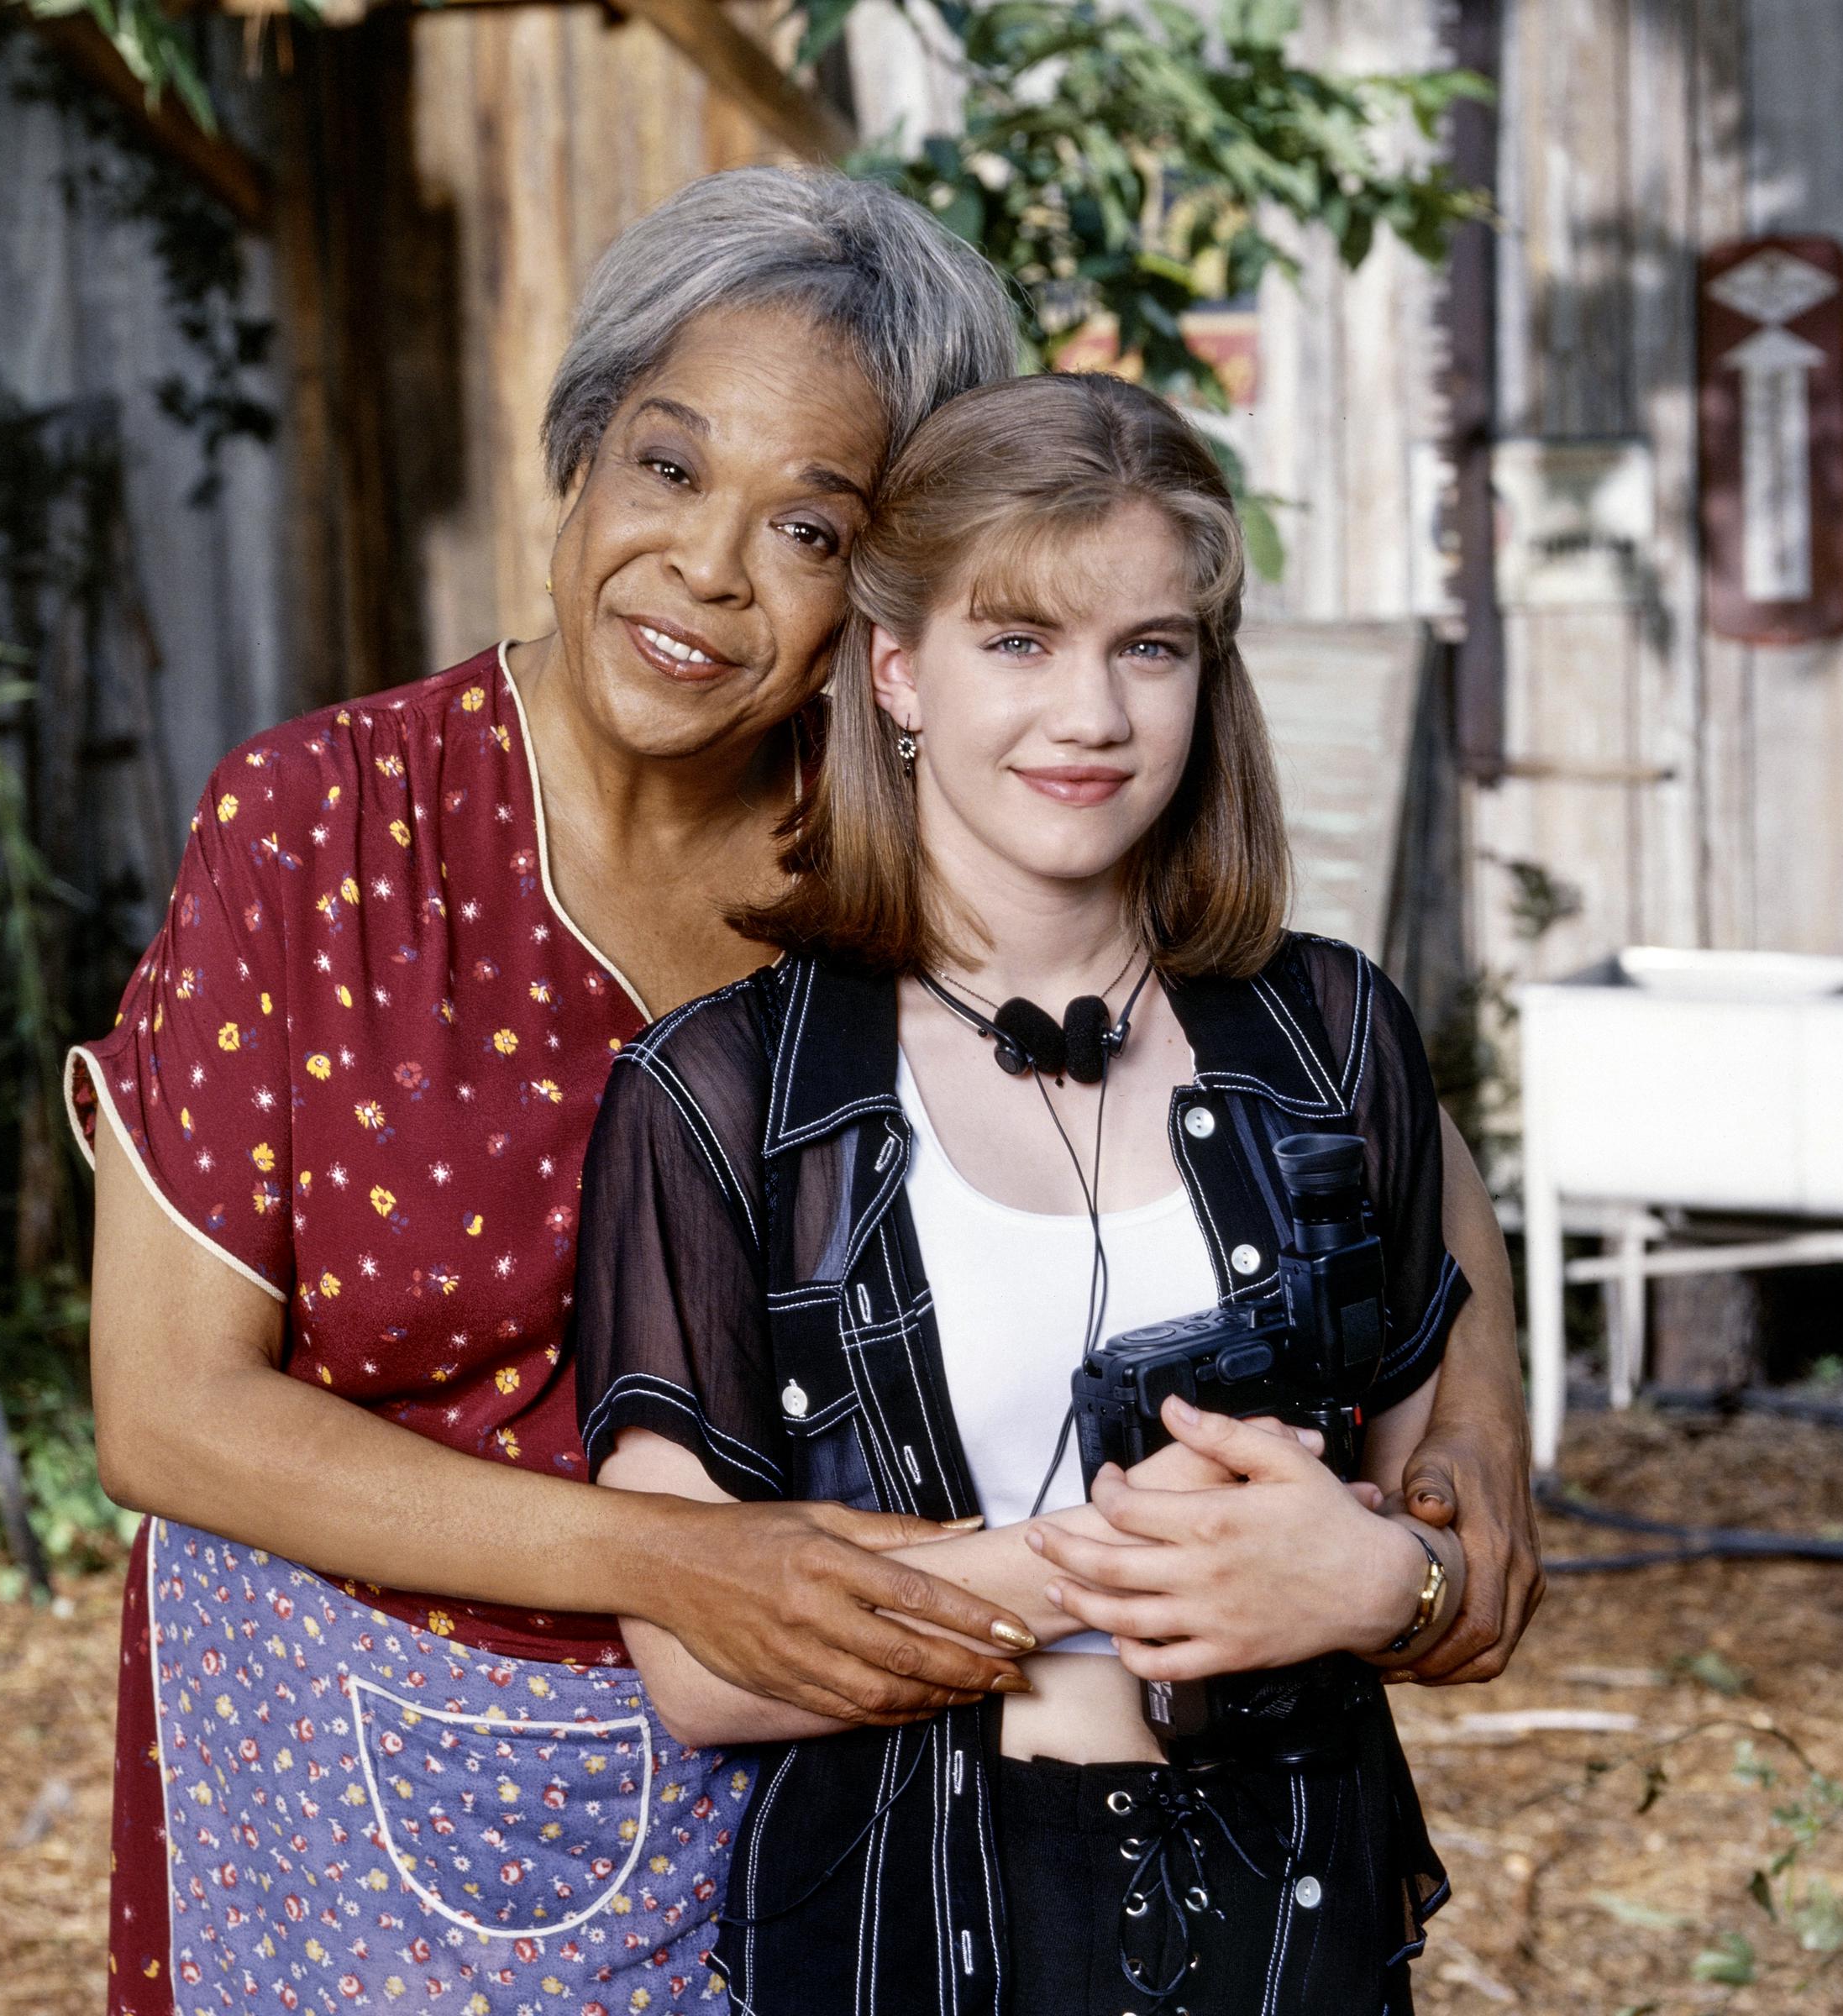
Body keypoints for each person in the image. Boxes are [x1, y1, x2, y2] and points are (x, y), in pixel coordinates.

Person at [76, 167, 1534, 2016]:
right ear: (582, 452)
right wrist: (687, 1563)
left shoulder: (928, 835)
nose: (704, 569)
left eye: (810, 528)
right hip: (358, 1767)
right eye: (671, 470)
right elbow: (166, 1413)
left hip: (833, 1785)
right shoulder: (322, 825)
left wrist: (1458, 1463)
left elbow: (1325, 1077)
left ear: (891, 602)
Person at [577, 371, 1505, 2013]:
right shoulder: (719, 1097)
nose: (1091, 716)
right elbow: (706, 1661)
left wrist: (1381, 1579)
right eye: (1019, 640)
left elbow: (1472, 1562)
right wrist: (1157, 1568)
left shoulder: (1334, 1038)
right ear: (898, 666)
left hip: (1293, 1937)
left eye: (1148, 647)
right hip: (900, 1938)